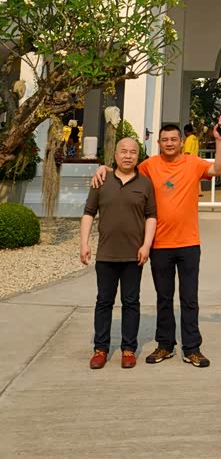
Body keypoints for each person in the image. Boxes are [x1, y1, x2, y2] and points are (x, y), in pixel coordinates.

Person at [91, 119, 221, 367]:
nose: (169, 143)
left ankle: (192, 348)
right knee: (164, 298)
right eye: (165, 140)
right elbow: (126, 169)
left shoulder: (193, 163)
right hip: (160, 244)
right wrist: (103, 168)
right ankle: (165, 345)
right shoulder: (150, 165)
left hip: (188, 243)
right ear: (159, 143)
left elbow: (218, 169)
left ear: (181, 142)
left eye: (174, 139)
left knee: (189, 298)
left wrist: (219, 141)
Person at [80, 137, 157, 369]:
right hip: (106, 254)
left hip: (134, 256)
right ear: (115, 155)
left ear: (138, 156)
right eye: (123, 151)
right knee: (104, 302)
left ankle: (128, 349)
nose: (128, 156)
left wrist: (146, 245)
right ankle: (100, 349)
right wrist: (84, 243)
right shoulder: (101, 181)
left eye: (133, 152)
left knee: (131, 302)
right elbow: (88, 213)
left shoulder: (145, 184)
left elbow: (151, 216)